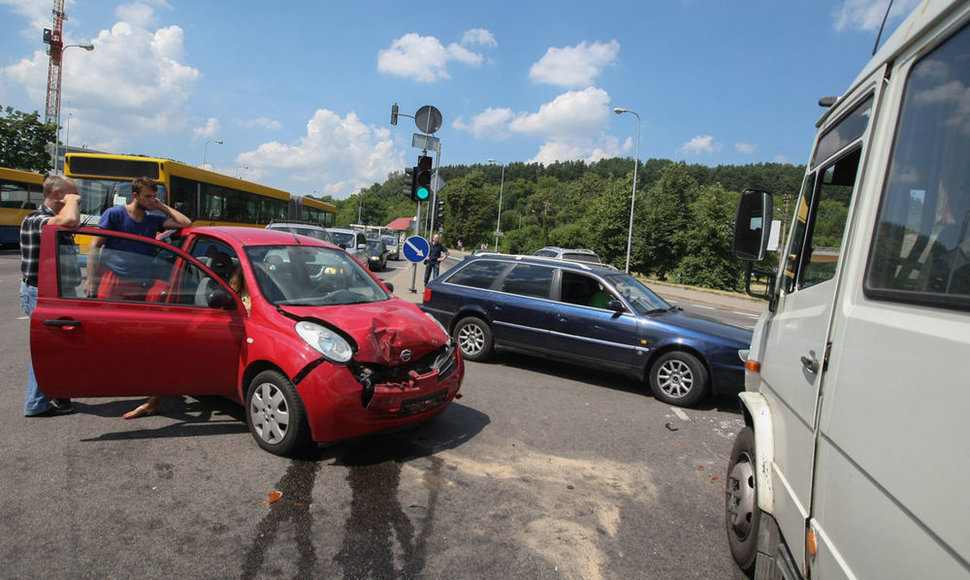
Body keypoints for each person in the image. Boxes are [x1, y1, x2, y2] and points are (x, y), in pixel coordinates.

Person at [84, 176, 192, 419]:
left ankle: (127, 376)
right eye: (148, 197)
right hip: (113, 279)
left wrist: (161, 206)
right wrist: (91, 279)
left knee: (132, 332)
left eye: (154, 196)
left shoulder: (153, 218)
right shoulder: (114, 215)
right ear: (135, 195)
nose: (152, 200)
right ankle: (96, 376)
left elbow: (185, 222)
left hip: (140, 284)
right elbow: (94, 245)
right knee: (105, 330)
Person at [20, 175, 81, 417]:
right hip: (40, 293)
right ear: (57, 195)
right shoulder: (37, 219)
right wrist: (73, 201)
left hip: (53, 292)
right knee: (47, 349)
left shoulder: (51, 219)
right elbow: (72, 220)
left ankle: (55, 392)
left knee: (56, 347)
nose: (77, 199)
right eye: (72, 194)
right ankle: (36, 404)